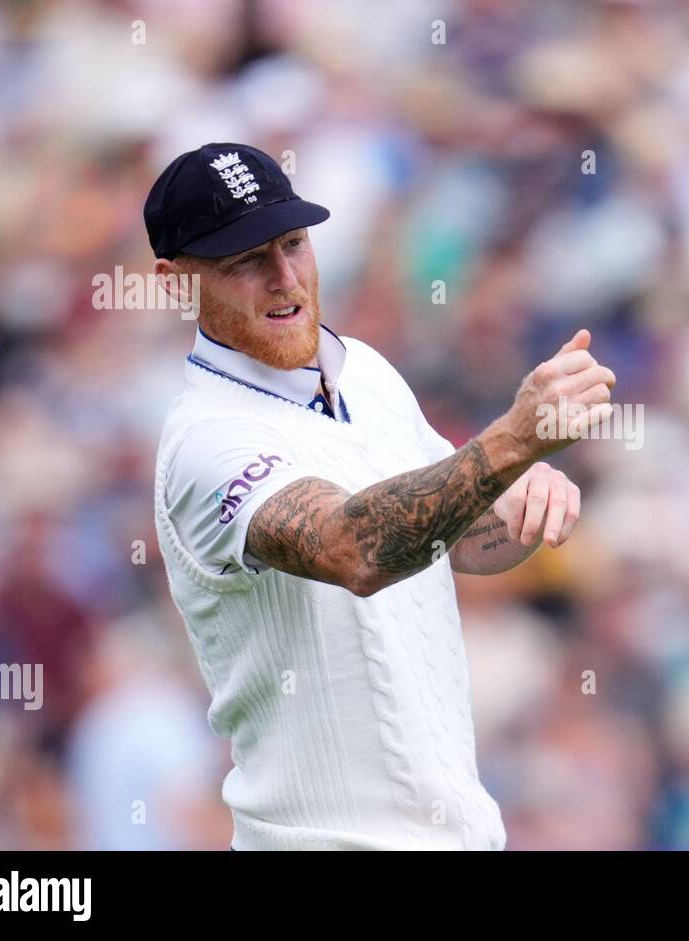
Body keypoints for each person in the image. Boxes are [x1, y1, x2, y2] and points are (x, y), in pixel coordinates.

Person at [146, 143, 615, 850]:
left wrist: (516, 500)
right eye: (244, 260)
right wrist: (512, 444)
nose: (284, 279)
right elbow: (356, 548)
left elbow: (451, 538)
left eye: (294, 244)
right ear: (175, 283)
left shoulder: (364, 372)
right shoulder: (203, 439)